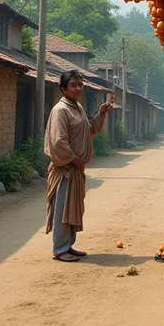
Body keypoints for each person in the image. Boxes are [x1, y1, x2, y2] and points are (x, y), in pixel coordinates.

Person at [44, 70, 112, 262]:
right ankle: (60, 249)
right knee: (62, 210)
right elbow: (58, 142)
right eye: (73, 85)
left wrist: (101, 114)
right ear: (63, 88)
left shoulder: (77, 108)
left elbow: (90, 130)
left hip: (75, 170)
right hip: (65, 169)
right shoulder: (61, 110)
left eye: (80, 85)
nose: (78, 88)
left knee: (72, 208)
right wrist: (76, 160)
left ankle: (68, 245)